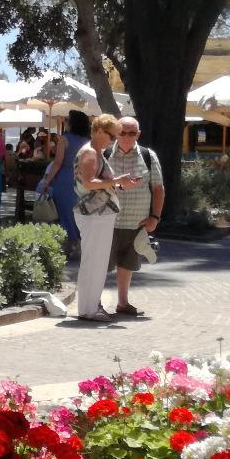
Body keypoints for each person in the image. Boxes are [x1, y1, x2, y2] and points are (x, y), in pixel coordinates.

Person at [72, 114, 142, 322]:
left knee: (96, 262)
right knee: (94, 262)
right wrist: (117, 181)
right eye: (112, 135)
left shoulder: (95, 152)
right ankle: (88, 309)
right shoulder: (90, 153)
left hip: (98, 214)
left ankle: (90, 307)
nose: (113, 140)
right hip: (94, 215)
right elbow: (89, 182)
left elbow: (98, 182)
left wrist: (119, 183)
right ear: (99, 131)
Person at [104, 117, 165, 317]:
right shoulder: (104, 154)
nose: (127, 136)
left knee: (127, 265)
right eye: (123, 132)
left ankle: (122, 303)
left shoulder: (148, 156)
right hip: (107, 220)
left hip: (136, 222)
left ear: (138, 134)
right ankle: (94, 301)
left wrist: (155, 217)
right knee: (101, 264)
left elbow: (158, 188)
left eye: (132, 133)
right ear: (116, 133)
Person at [39, 110, 92, 257]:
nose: (66, 122)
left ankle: (70, 242)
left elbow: (57, 163)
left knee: (65, 212)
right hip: (82, 179)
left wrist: (47, 181)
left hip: (65, 179)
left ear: (72, 123)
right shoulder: (88, 141)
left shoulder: (65, 139)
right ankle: (80, 242)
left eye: (68, 120)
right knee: (79, 211)